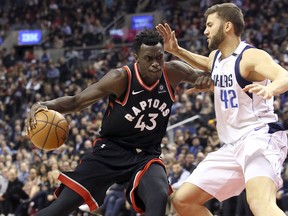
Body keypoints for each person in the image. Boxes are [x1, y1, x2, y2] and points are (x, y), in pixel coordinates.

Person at [25, 29, 211, 216]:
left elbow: (213, 75)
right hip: (110, 152)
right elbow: (76, 102)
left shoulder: (173, 72)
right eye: (148, 59)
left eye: (159, 57)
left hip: (146, 155)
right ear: (136, 58)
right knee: (60, 208)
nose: (155, 64)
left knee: (159, 196)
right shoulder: (120, 78)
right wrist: (44, 105)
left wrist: (205, 79)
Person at [156, 3, 288, 216]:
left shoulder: (251, 56)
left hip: (260, 137)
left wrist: (271, 88)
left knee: (259, 203)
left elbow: (284, 76)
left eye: (210, 25)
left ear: (227, 26)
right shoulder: (217, 58)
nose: (205, 31)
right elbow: (206, 64)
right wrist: (176, 50)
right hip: (231, 146)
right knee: (183, 200)